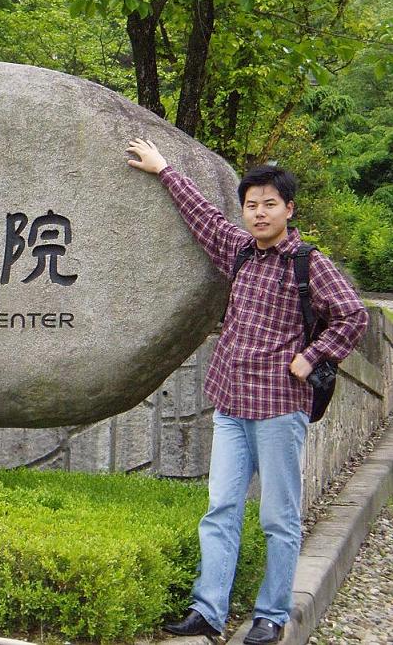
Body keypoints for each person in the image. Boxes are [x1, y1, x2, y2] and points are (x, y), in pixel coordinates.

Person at [125, 138, 368, 645]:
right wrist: (164, 169)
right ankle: (208, 611)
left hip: (280, 409)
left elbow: (352, 314)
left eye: (269, 204)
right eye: (251, 205)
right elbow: (204, 217)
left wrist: (313, 355)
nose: (259, 213)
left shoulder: (307, 263)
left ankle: (271, 615)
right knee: (221, 510)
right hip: (231, 404)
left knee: (279, 518)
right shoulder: (238, 250)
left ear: (288, 209)